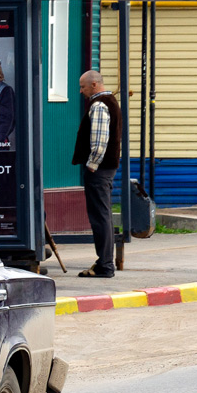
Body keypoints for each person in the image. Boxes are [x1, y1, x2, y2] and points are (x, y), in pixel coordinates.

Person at [72, 69, 122, 278]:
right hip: (106, 168)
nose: (81, 91)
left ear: (94, 85)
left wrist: (92, 165)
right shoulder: (110, 102)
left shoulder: (100, 104)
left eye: (83, 86)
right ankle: (105, 261)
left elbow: (100, 141)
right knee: (104, 216)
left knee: (100, 217)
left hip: (99, 169)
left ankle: (105, 265)